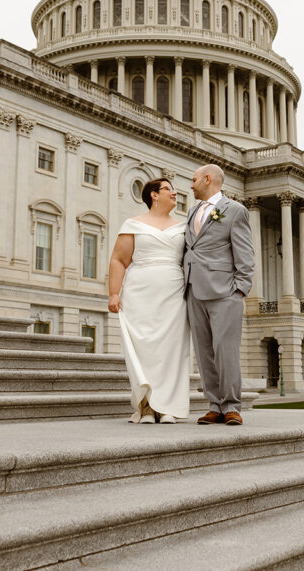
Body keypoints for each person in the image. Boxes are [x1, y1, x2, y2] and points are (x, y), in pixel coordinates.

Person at [108, 178, 191, 424]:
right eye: (169, 189)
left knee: (171, 351)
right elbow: (119, 260)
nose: (175, 193)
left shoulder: (184, 227)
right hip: (139, 292)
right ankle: (145, 406)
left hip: (174, 294)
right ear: (154, 195)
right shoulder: (133, 224)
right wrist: (114, 293)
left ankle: (167, 407)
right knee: (143, 349)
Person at [184, 164, 254, 426]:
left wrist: (239, 289)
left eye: (194, 180)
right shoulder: (192, 211)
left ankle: (232, 406)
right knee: (204, 353)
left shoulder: (235, 211)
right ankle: (214, 405)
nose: (191, 185)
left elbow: (245, 254)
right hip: (194, 290)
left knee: (225, 351)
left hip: (225, 291)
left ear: (208, 179)